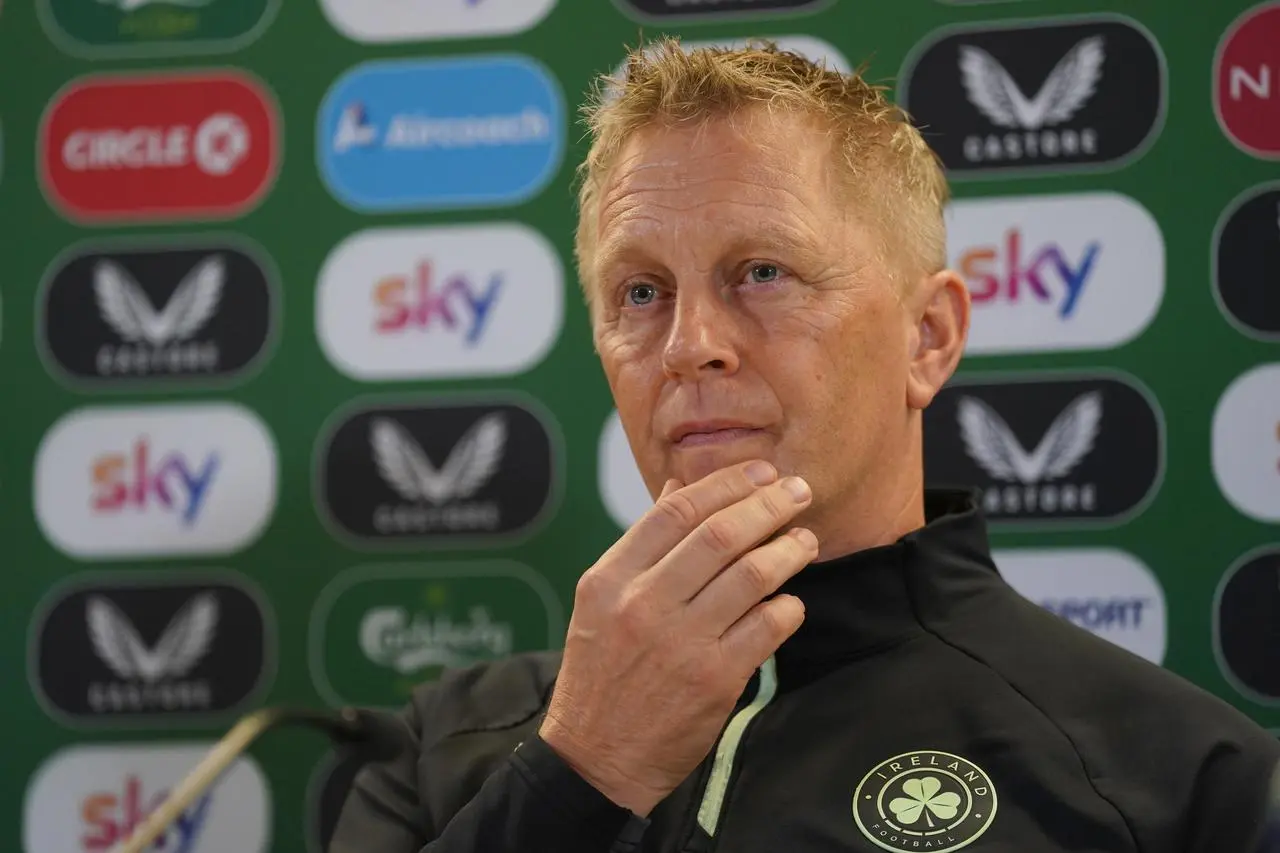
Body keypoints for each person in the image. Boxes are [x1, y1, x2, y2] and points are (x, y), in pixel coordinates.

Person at [328, 38, 1280, 852]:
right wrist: (579, 772)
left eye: (762, 272)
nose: (690, 344)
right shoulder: (436, 752)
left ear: (929, 337)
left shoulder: (1184, 780)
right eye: (642, 291)